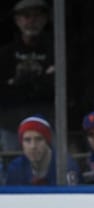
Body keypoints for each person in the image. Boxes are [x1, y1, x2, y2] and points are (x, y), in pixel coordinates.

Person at [0, 0, 54, 152]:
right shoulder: (6, 54)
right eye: (26, 16)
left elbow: (58, 87)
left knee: (54, 165)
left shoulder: (56, 51)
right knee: (11, 168)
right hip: (11, 125)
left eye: (37, 16)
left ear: (45, 19)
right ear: (17, 20)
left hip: (47, 122)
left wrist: (18, 83)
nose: (32, 21)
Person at [4, 115, 79, 185]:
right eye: (27, 140)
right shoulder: (16, 168)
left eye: (39, 139)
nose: (33, 146)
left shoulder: (66, 165)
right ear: (21, 143)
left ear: (47, 141)